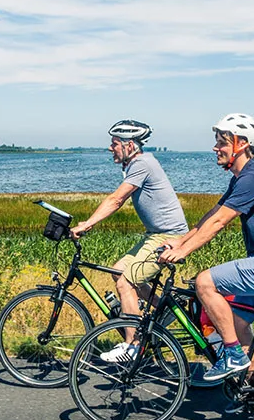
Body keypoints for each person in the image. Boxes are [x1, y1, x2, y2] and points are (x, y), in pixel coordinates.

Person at [159, 113, 254, 381]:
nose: (216, 148)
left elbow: (219, 222)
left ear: (242, 145)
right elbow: (212, 214)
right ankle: (250, 387)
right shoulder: (241, 178)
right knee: (236, 324)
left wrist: (182, 253)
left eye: (222, 143)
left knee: (205, 283)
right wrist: (181, 240)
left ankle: (234, 356)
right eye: (217, 142)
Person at [70, 119, 189, 362]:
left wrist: (86, 224)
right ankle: (164, 310)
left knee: (126, 282)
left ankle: (132, 346)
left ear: (129, 145)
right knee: (118, 270)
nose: (110, 148)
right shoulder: (139, 163)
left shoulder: (142, 164)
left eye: (114, 144)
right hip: (155, 235)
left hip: (168, 237)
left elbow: (116, 199)